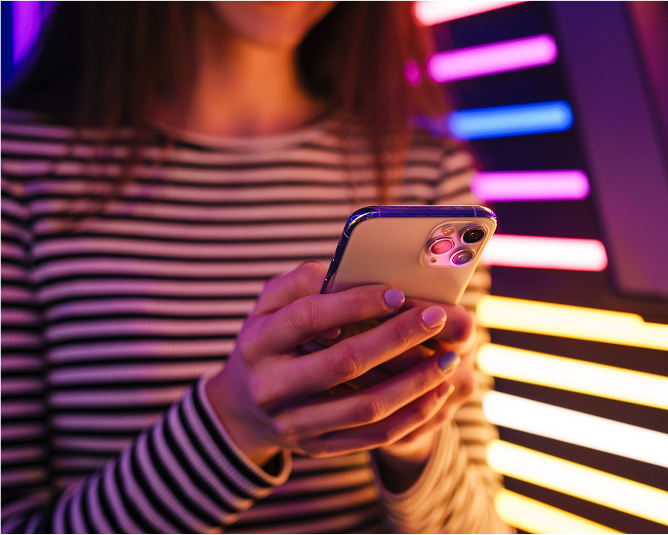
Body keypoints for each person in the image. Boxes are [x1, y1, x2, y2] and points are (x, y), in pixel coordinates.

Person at [0, 0, 510, 532]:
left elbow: (481, 522)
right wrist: (236, 422)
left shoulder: (425, 169)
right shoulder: (18, 163)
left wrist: (413, 435)